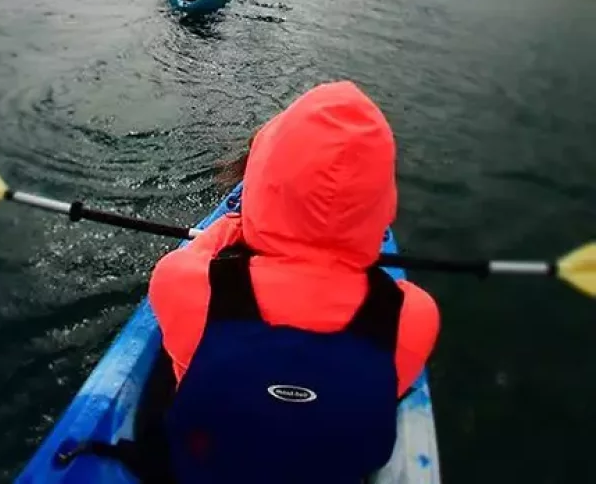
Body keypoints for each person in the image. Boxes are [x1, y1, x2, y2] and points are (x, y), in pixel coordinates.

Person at [145, 81, 440, 484]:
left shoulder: (181, 283)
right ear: (381, 201)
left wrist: (237, 228)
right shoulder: (413, 315)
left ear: (263, 180)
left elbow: (191, 257)